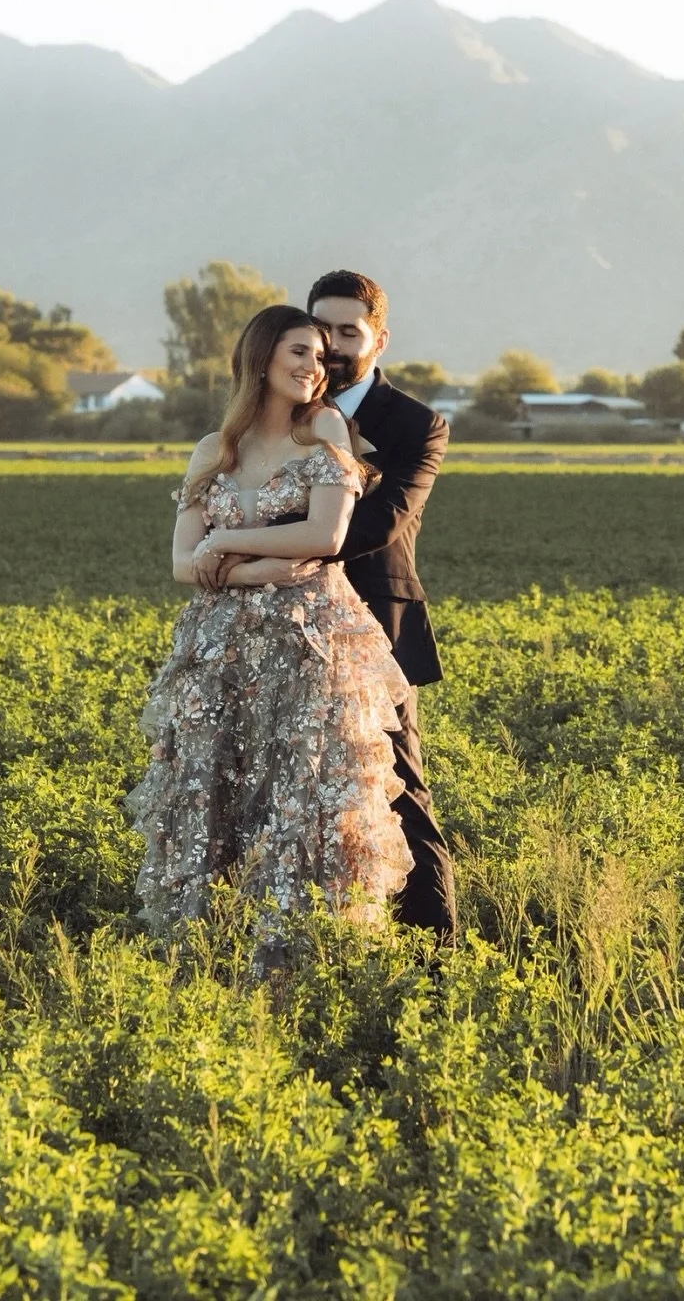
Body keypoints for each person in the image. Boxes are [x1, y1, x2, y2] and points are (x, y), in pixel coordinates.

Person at [126, 305, 413, 946]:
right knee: (211, 790)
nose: (316, 369)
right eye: (300, 354)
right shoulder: (213, 450)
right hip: (220, 647)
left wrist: (223, 542)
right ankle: (205, 953)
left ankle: (302, 960)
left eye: (321, 358)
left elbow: (325, 534)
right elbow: (180, 562)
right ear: (261, 359)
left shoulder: (326, 433)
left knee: (304, 796)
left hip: (308, 642)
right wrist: (259, 569)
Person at [250, 270, 457, 945]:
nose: (331, 346)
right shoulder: (277, 415)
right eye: (320, 329)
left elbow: (375, 527)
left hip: (374, 630)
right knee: (278, 795)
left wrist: (248, 553)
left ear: (379, 339)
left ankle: (435, 954)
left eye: (348, 331)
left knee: (397, 797)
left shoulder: (416, 425)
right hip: (275, 630)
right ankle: (309, 945)